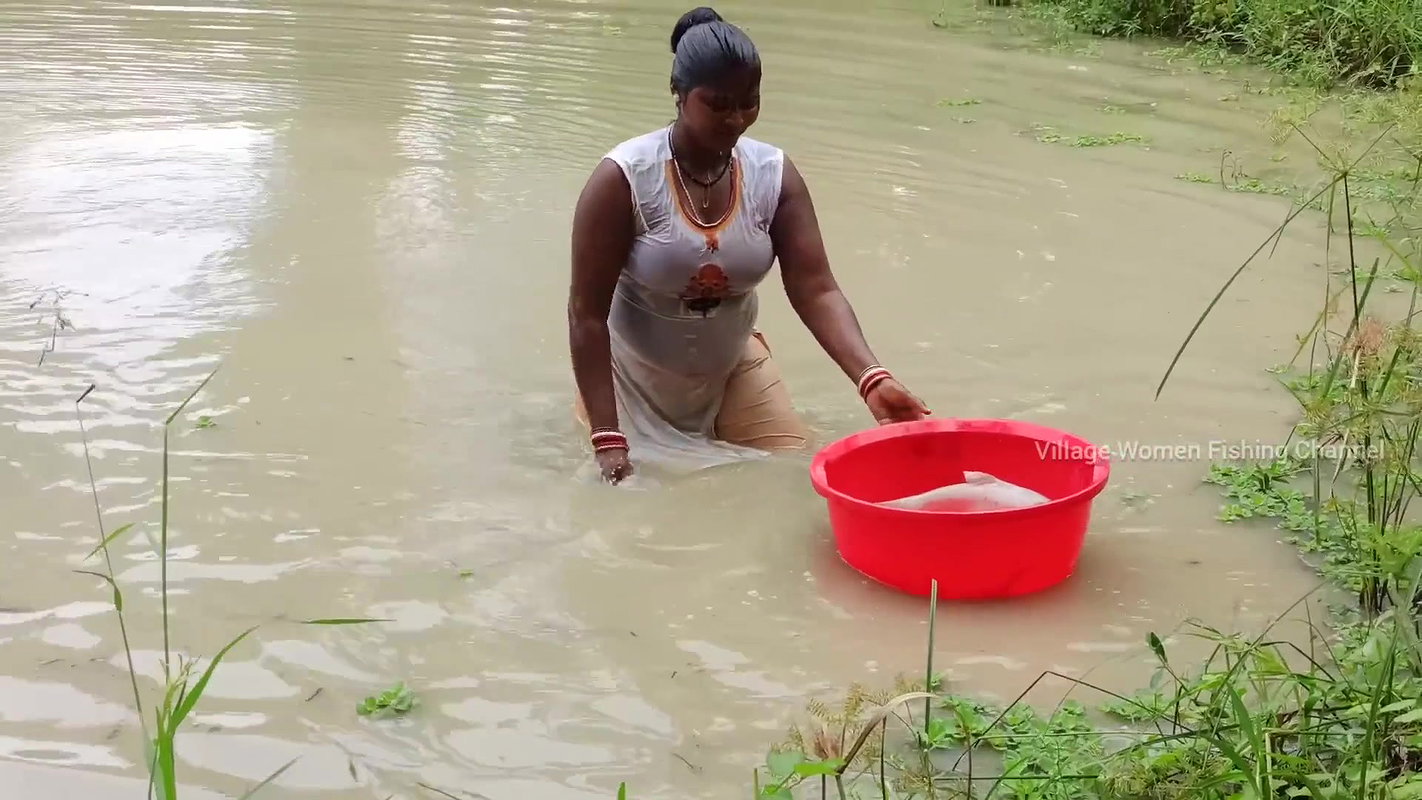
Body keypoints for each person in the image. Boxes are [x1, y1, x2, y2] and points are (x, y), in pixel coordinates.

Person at [567, 6, 931, 485]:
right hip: (631, 379)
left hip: (731, 363)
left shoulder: (773, 176)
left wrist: (873, 379)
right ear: (678, 93)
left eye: (749, 102)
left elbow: (816, 288)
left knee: (791, 479)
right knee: (635, 497)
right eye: (718, 104)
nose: (736, 118)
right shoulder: (623, 179)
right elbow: (586, 314)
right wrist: (607, 437)